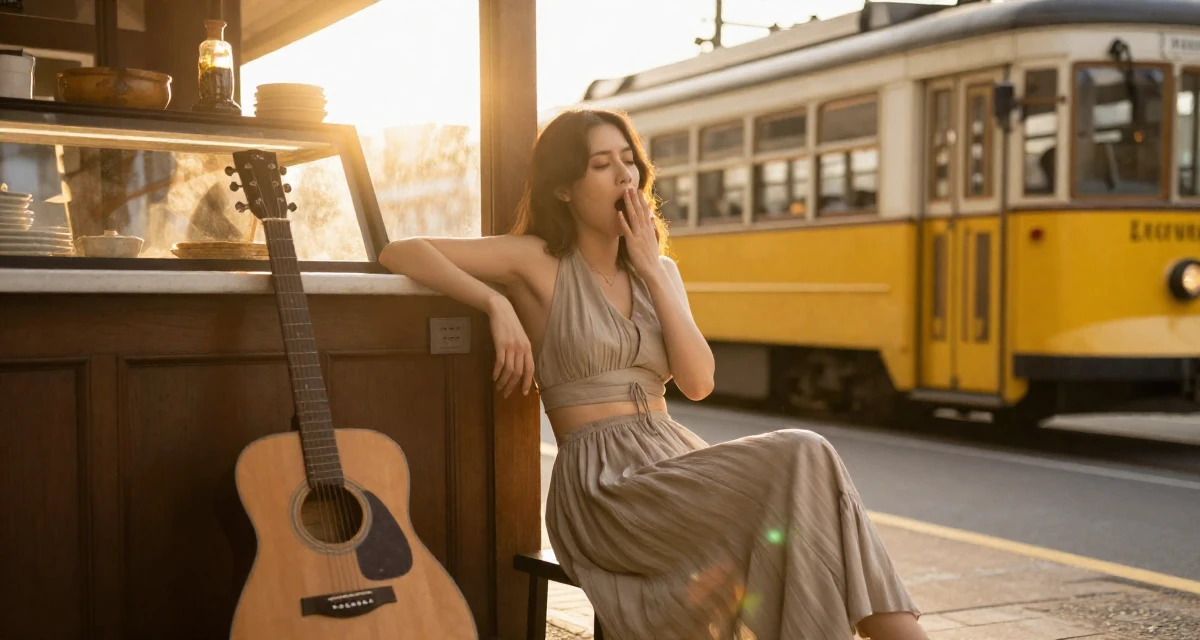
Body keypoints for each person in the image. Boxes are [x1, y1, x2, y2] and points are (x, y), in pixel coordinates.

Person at [378, 108, 926, 640]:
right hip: (604, 489)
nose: (624, 175)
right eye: (600, 164)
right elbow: (400, 251)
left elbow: (697, 382)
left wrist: (652, 271)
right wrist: (495, 306)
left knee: (810, 506)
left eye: (629, 160)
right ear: (563, 188)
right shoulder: (535, 260)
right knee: (806, 452)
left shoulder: (659, 272)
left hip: (673, 462)